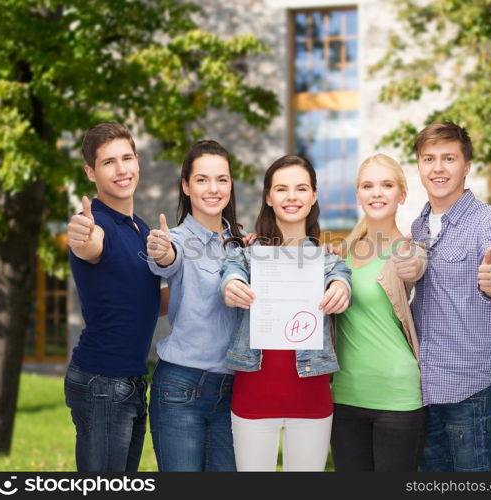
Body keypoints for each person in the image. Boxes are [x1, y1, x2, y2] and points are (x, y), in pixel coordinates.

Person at [220, 155, 352, 472]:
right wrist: (233, 285)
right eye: (281, 189)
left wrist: (340, 289)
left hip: (311, 400)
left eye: (301, 188)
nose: (291, 196)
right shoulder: (246, 257)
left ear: (313, 196)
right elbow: (231, 273)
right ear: (269, 197)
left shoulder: (329, 261)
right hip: (252, 399)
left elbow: (341, 279)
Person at [410, 121, 491, 472]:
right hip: (426, 388)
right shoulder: (418, 227)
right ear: (419, 166)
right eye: (429, 159)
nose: (438, 168)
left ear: (466, 167)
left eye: (448, 158)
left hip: (470, 388)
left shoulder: (487, 221)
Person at [65, 122, 167, 472]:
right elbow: (88, 245)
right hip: (102, 382)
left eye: (127, 158)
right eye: (109, 162)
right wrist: (81, 235)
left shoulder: (138, 227)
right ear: (90, 172)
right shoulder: (95, 224)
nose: (122, 169)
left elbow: (146, 301)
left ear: (138, 161)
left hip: (131, 382)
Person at [145, 140, 248, 471]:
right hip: (180, 389)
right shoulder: (175, 240)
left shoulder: (245, 245)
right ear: (186, 186)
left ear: (231, 184)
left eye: (222, 179)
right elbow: (166, 259)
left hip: (234, 391)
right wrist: (161, 251)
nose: (213, 188)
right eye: (202, 179)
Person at [330, 154, 428, 472]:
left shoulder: (408, 249)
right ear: (358, 194)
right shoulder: (339, 253)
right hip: (344, 395)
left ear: (402, 194)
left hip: (397, 396)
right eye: (368, 185)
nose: (376, 193)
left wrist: (413, 264)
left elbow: (415, 265)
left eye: (387, 185)